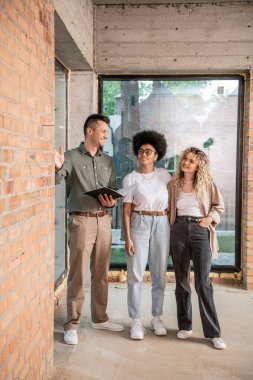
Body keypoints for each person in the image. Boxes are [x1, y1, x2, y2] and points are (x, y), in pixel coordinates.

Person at [55, 114, 125, 345]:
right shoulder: (71, 157)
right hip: (81, 221)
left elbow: (113, 189)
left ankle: (100, 318)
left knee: (101, 273)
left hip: (103, 220)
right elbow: (58, 178)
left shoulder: (108, 161)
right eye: (104, 131)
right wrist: (56, 167)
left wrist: (111, 202)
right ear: (90, 131)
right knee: (78, 274)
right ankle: (72, 324)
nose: (106, 135)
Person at [168, 147, 226, 350]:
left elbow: (219, 207)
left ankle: (213, 333)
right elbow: (168, 208)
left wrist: (209, 219)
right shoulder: (173, 184)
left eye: (191, 160)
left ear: (199, 164)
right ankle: (185, 325)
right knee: (181, 282)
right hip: (179, 230)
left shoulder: (208, 183)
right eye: (184, 158)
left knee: (203, 283)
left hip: (201, 230)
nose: (186, 162)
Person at [122, 130, 171, 340]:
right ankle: (135, 321)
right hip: (139, 222)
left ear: (156, 155)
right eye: (141, 151)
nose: (144, 154)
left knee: (159, 274)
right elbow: (125, 211)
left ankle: (157, 317)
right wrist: (128, 238)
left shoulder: (164, 176)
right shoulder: (130, 178)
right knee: (135, 274)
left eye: (149, 151)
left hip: (162, 222)